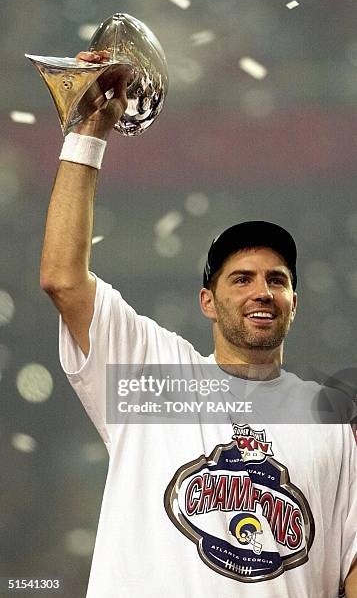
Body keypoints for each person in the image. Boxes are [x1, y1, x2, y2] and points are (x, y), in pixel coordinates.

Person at [40, 50, 357, 598]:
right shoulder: (153, 381)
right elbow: (64, 280)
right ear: (207, 302)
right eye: (243, 279)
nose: (262, 291)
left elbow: (350, 562)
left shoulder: (328, 419)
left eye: (277, 280)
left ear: (294, 301)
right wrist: (88, 130)